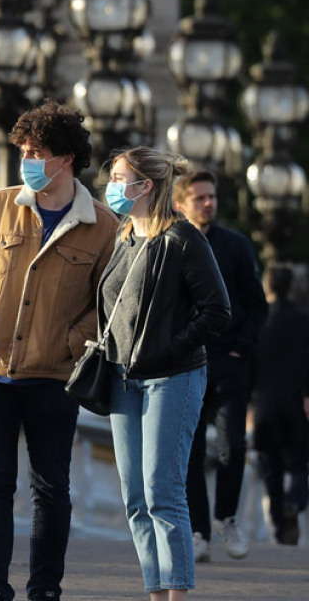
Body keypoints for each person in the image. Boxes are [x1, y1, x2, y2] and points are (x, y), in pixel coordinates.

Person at [0, 100, 119, 601]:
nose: (26, 159)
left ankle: (45, 590)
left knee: (50, 491)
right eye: (23, 149)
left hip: (53, 377)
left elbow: (109, 301)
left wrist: (71, 340)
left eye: (36, 151)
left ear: (65, 159)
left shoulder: (103, 226)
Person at [100, 147, 230, 600]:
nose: (111, 187)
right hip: (123, 380)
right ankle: (155, 592)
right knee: (135, 498)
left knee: (163, 490)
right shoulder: (124, 238)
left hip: (172, 378)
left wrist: (167, 349)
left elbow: (218, 311)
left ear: (146, 186)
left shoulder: (183, 239)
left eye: (119, 178)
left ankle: (176, 593)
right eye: (112, 178)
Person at [172, 170, 267, 561]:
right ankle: (197, 532)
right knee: (190, 451)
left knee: (232, 445)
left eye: (211, 196)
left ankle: (226, 519)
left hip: (229, 364)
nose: (208, 203)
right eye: (199, 198)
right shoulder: (171, 246)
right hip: (187, 364)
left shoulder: (236, 246)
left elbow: (257, 306)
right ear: (180, 204)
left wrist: (240, 350)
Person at [250, 263, 309, 546]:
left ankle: (280, 523)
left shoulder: (258, 321)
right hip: (296, 403)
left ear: (267, 287)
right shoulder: (304, 321)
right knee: (299, 464)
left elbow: (250, 365)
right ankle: (295, 504)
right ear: (292, 287)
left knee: (271, 468)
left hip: (264, 404)